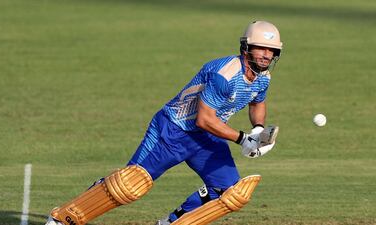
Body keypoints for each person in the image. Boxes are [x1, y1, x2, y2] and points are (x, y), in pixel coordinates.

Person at [45, 20, 283, 225]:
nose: (266, 55)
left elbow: (257, 103)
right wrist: (243, 139)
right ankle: (63, 218)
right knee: (129, 184)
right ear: (246, 48)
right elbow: (203, 119)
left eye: (271, 50)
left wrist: (259, 130)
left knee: (230, 193)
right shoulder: (225, 74)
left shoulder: (263, 77)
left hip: (207, 137)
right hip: (173, 131)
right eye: (261, 48)